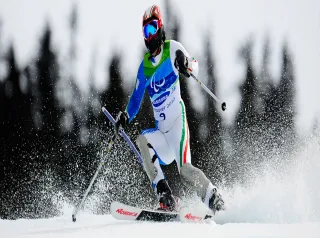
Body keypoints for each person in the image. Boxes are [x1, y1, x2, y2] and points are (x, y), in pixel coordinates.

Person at [115, 5, 224, 213]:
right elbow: (136, 99)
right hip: (162, 133)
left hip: (177, 125)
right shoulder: (145, 66)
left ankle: (214, 198)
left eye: (153, 28)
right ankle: (166, 197)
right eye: (146, 31)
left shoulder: (172, 48)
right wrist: (125, 116)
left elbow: (195, 65)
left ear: (161, 27)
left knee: (185, 170)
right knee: (142, 141)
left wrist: (186, 64)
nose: (150, 35)